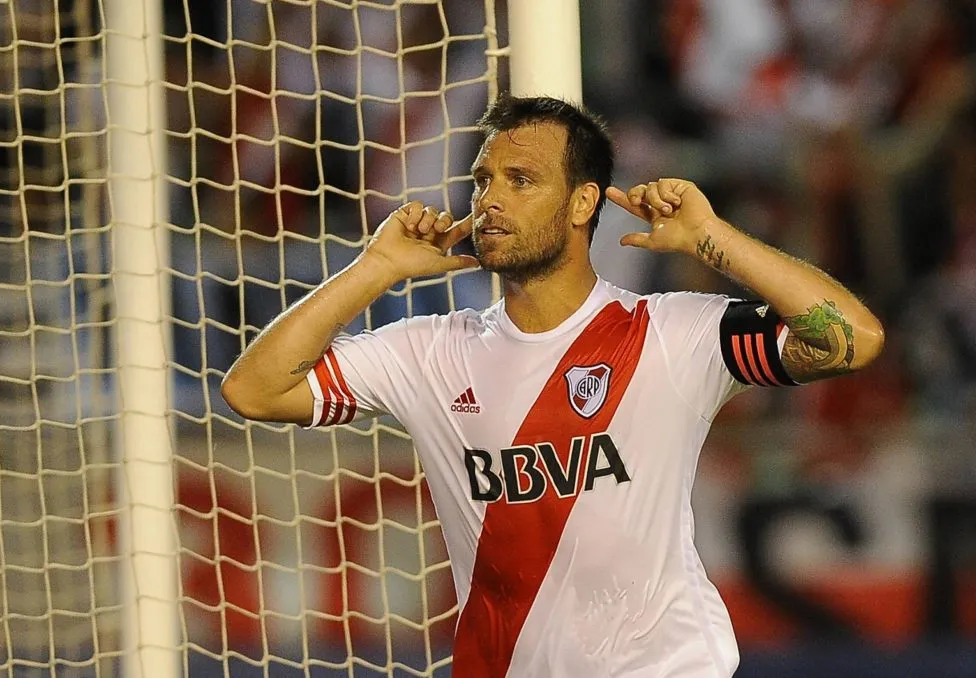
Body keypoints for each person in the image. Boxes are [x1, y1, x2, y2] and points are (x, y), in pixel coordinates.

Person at [221, 95, 884, 678]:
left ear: (583, 202)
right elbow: (255, 391)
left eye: (521, 180)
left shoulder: (669, 335)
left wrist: (712, 238)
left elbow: (852, 338)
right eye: (483, 180)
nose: (490, 200)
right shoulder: (430, 353)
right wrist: (374, 269)